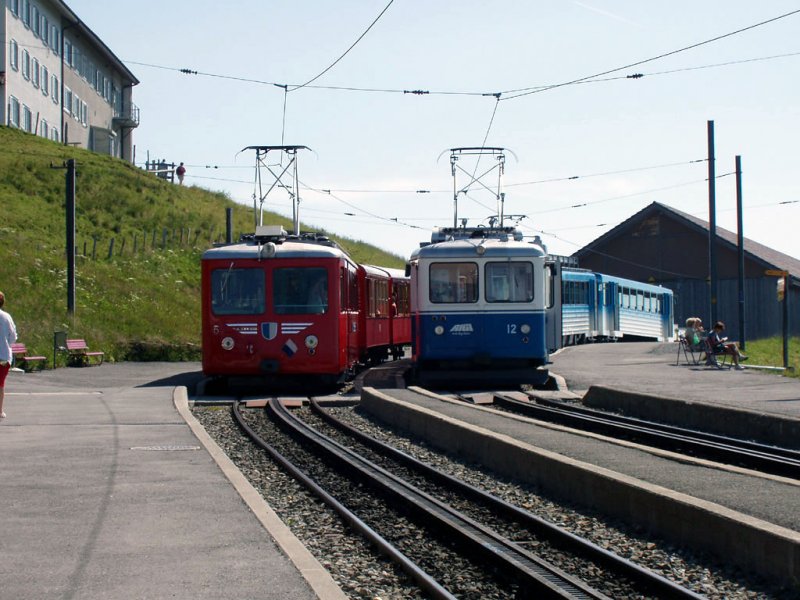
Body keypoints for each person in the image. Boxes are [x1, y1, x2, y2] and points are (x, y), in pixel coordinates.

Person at [0, 291, 19, 420]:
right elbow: (13, 337)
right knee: (0, 384)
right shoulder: (6, 317)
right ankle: (0, 410)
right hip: (3, 356)